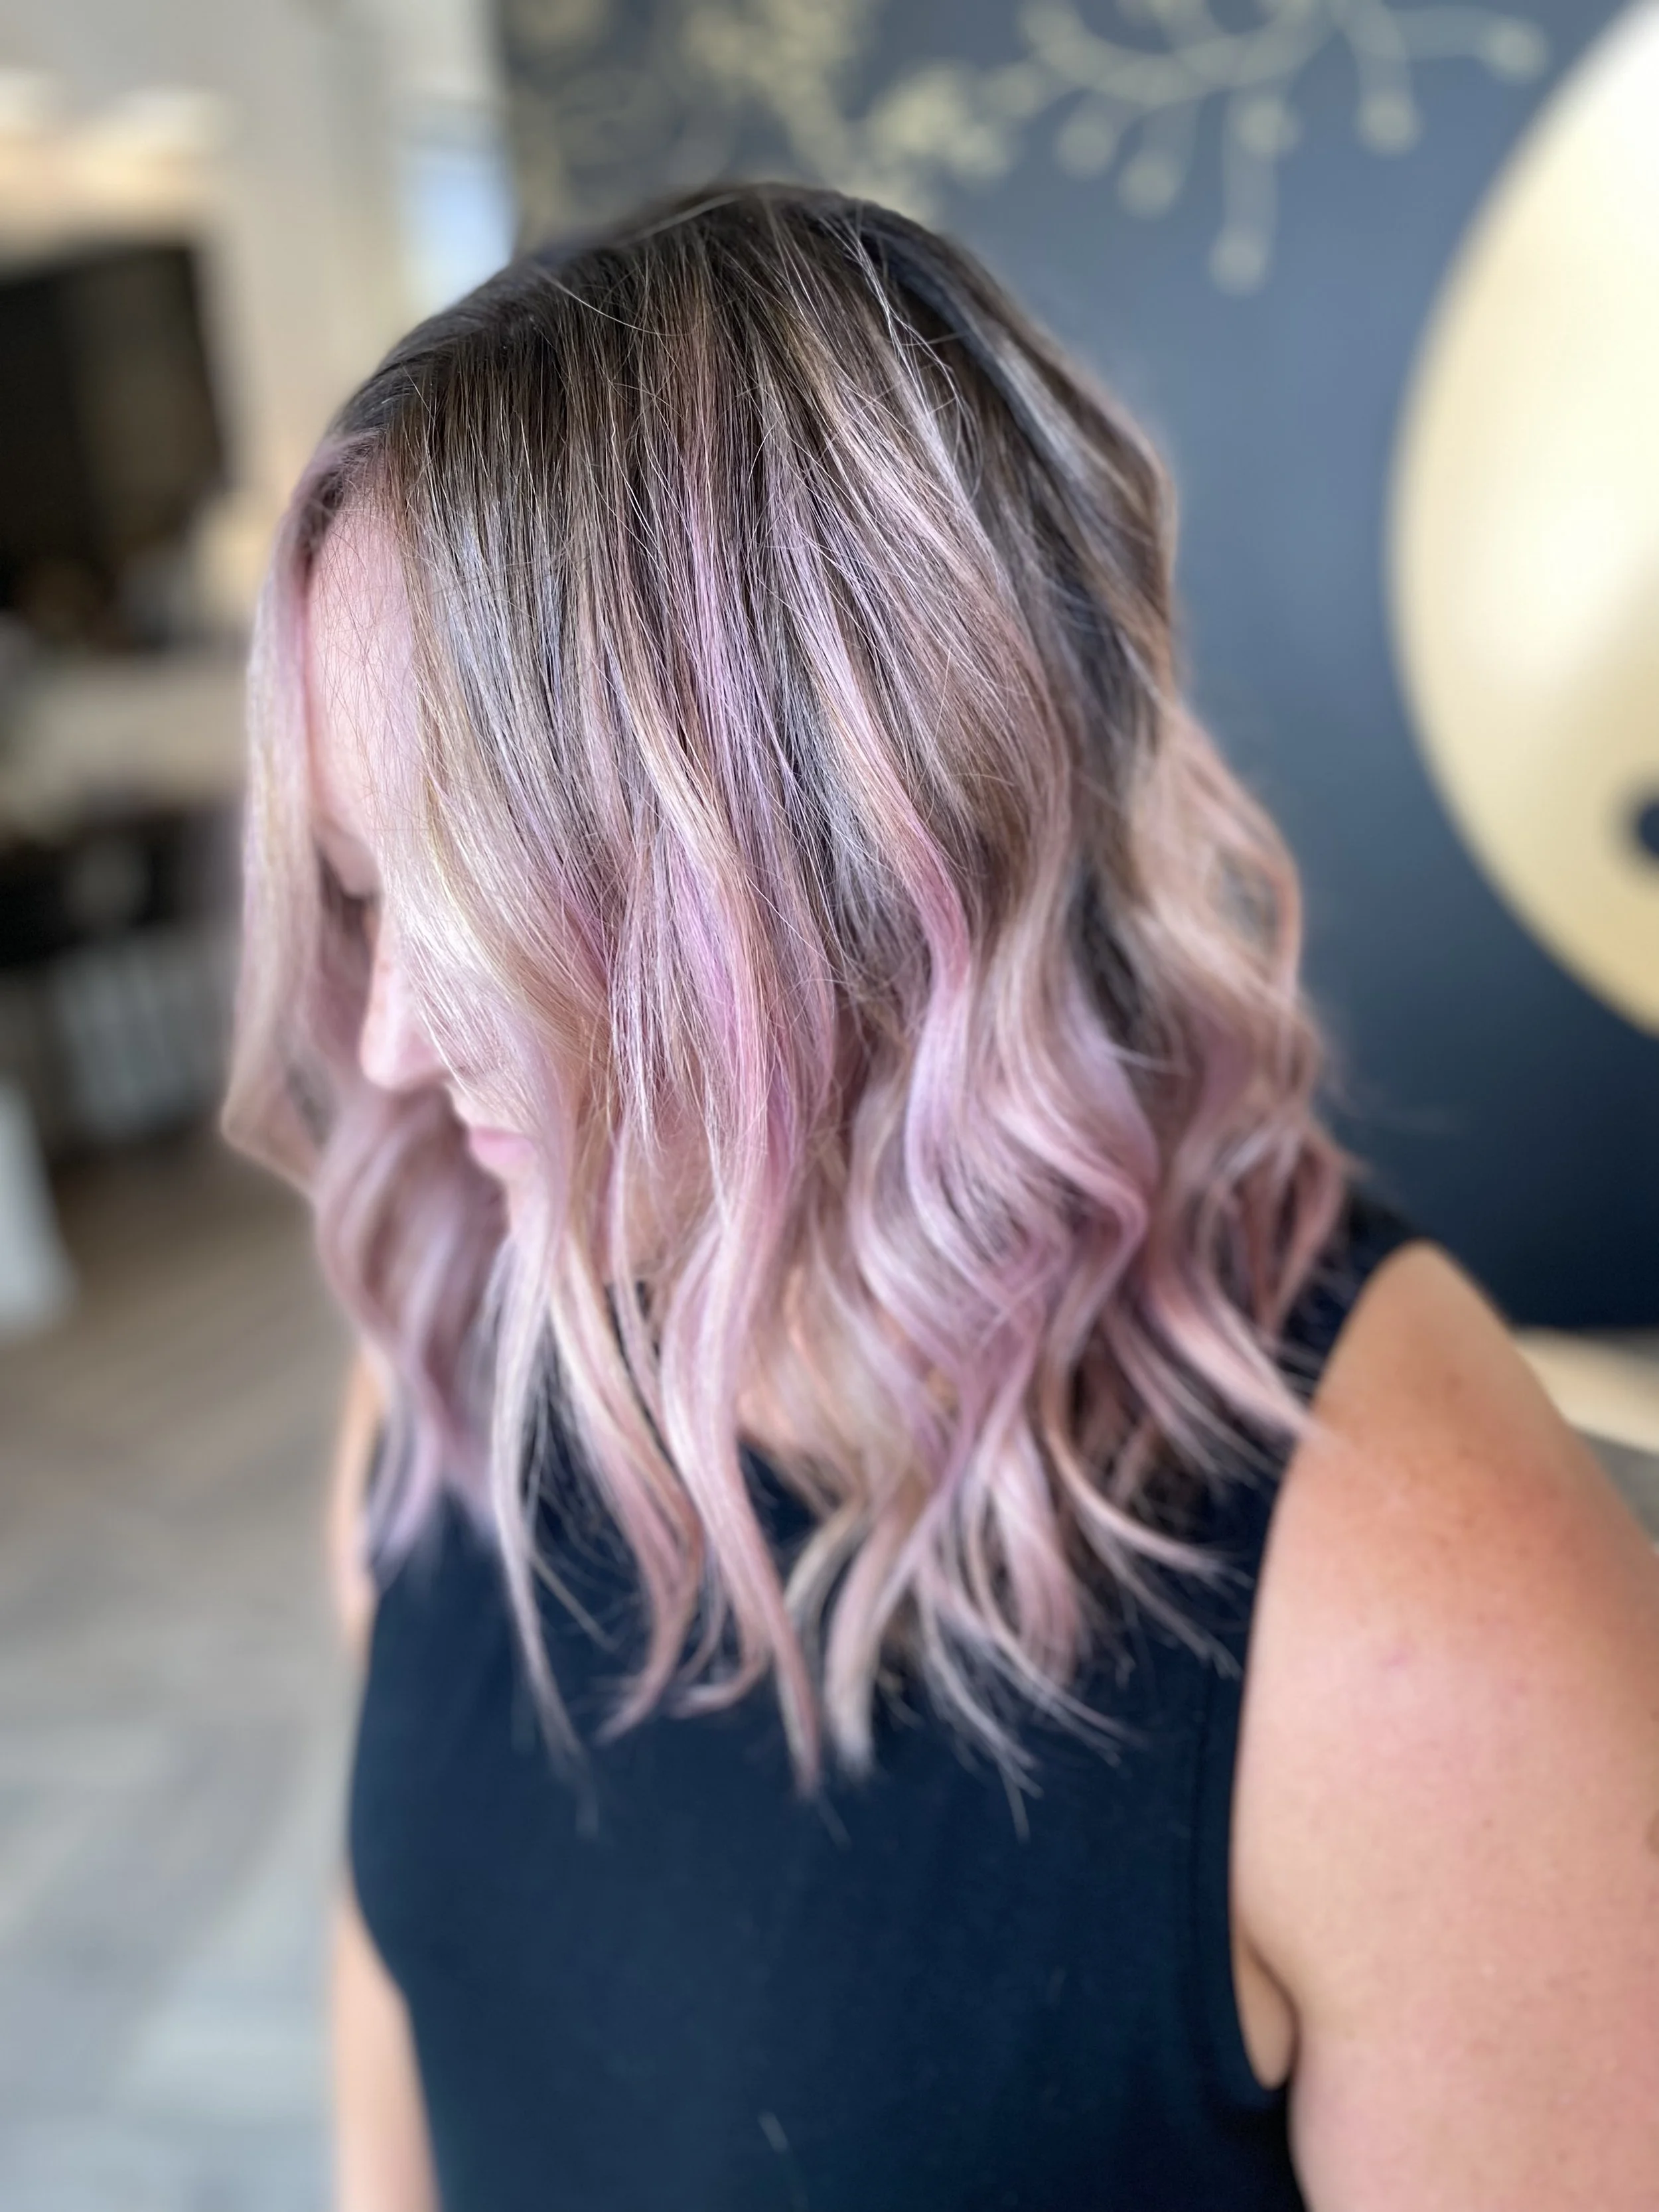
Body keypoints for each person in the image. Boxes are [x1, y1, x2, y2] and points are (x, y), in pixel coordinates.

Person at [221, 183, 1659, 2211]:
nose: (381, 1049)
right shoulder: (450, 1356)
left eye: (473, 905)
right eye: (365, 896)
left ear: (823, 838)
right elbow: (412, 2003)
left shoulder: (1419, 1616)